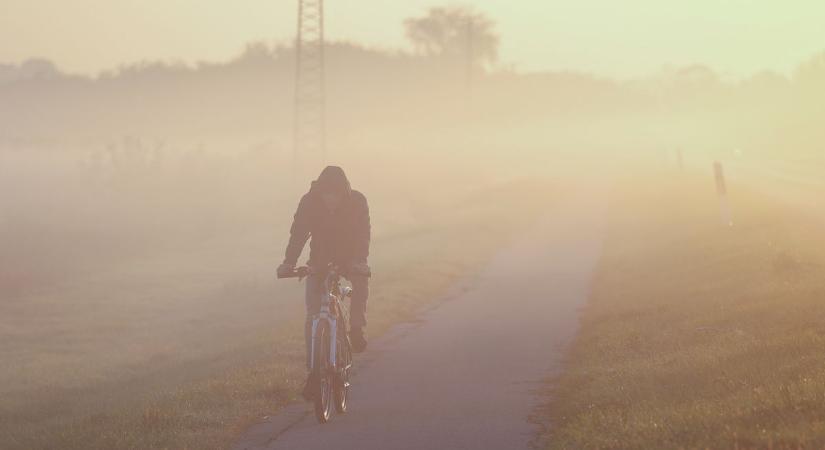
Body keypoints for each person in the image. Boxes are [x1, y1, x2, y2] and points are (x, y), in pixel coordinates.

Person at [277, 166, 371, 398]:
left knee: (360, 281)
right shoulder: (309, 202)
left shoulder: (357, 202)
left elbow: (363, 234)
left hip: (351, 257)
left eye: (336, 195)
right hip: (319, 259)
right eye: (326, 195)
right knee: (313, 314)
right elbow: (298, 233)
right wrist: (289, 262)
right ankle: (315, 372)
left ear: (344, 192)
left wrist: (359, 261)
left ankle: (356, 329)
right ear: (319, 192)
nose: (331, 200)